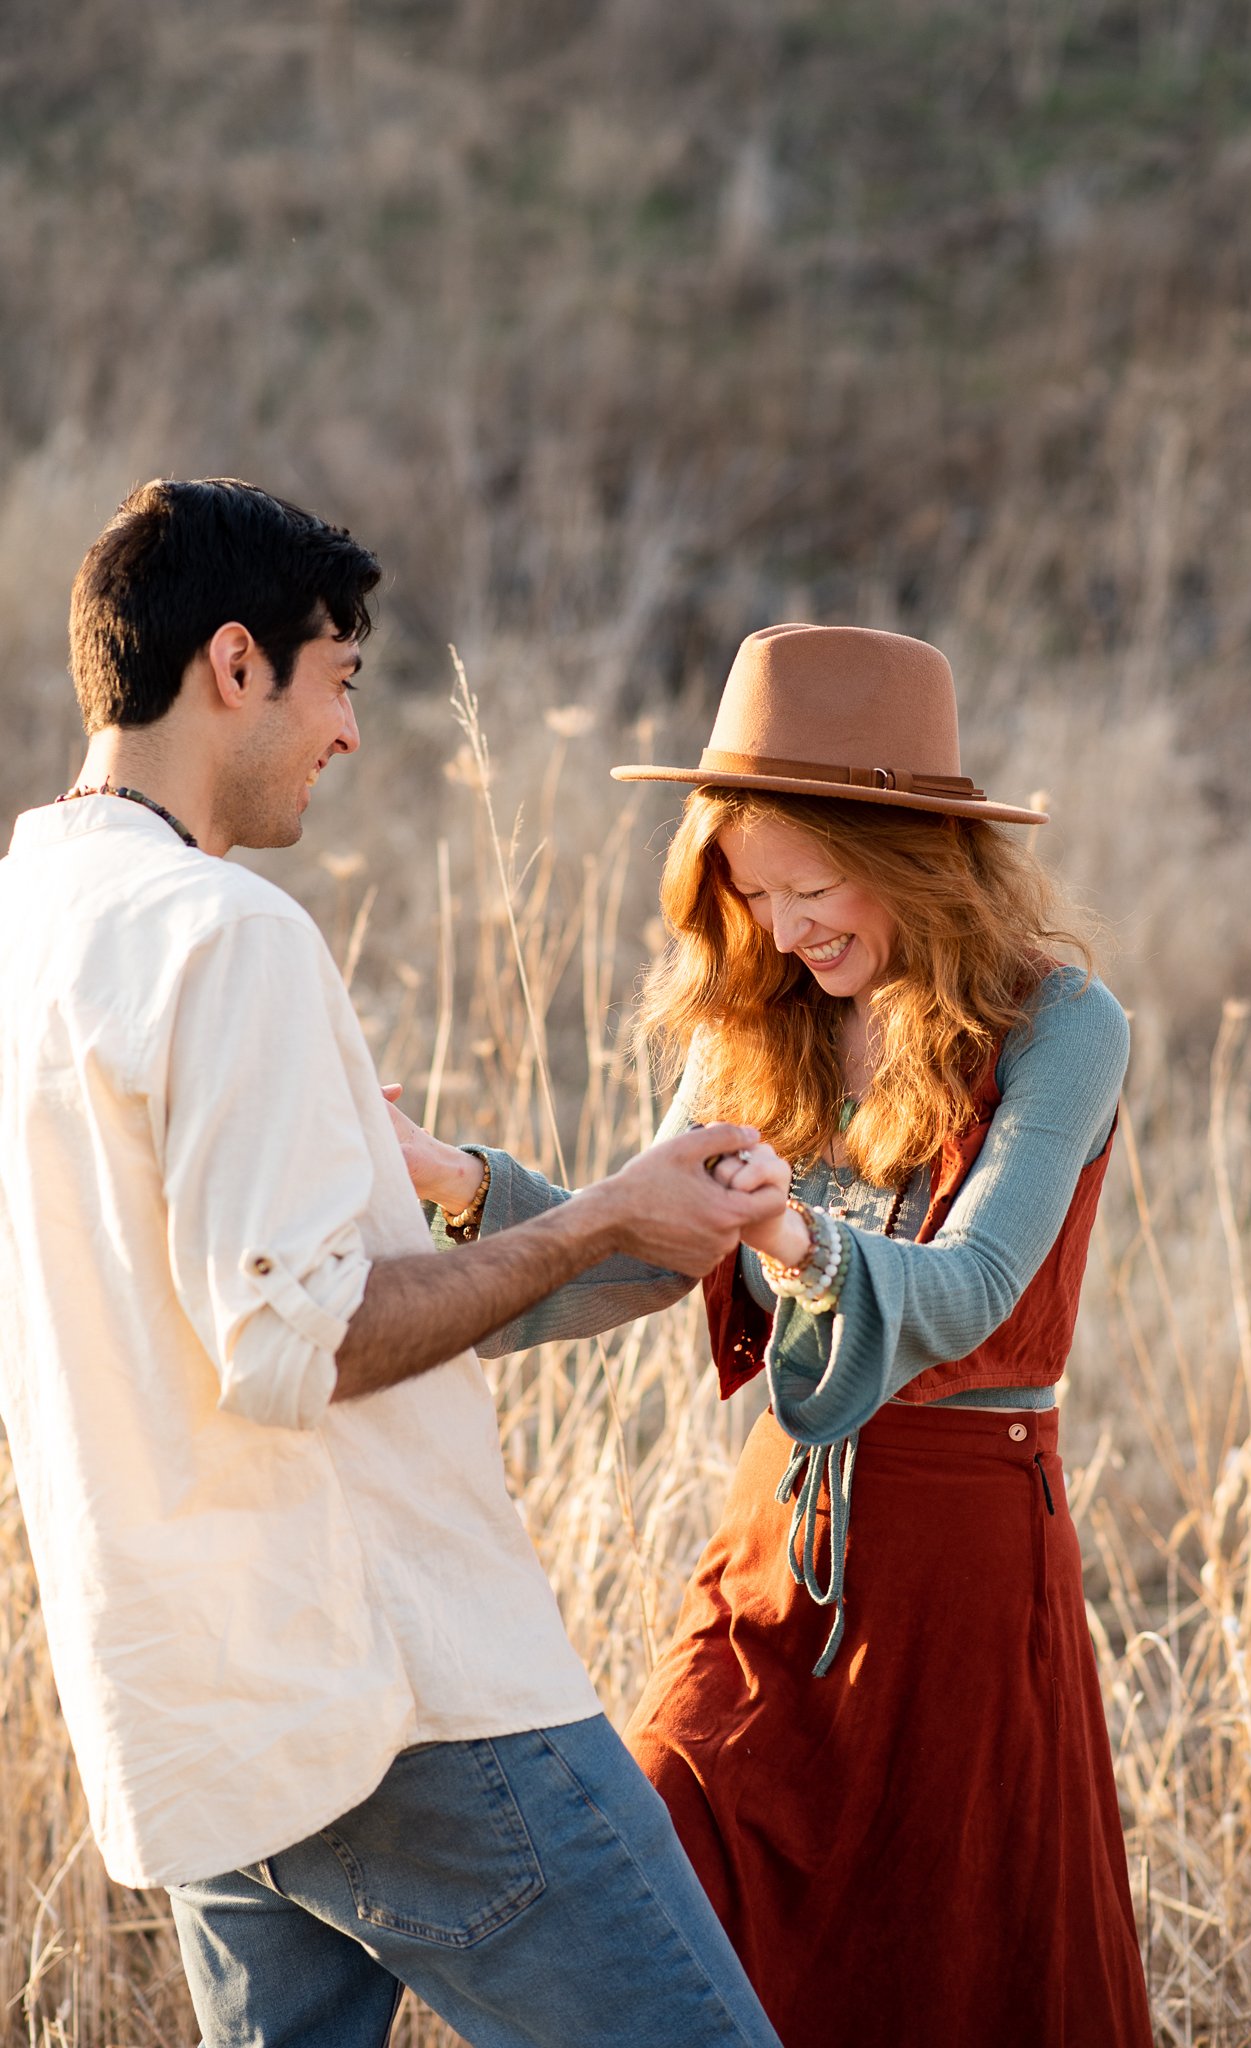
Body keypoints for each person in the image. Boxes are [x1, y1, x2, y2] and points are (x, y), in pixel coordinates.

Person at [0, 478, 789, 2048]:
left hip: (192, 1727)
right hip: (401, 1709)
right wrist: (607, 1217)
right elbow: (300, 1344)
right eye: (337, 680)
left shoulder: (31, 922)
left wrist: (364, 1178)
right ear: (236, 665)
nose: (348, 735)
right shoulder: (225, 932)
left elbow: (167, 1284)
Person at [394, 624, 1154, 2047]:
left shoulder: (1064, 1024)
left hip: (965, 1568)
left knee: (954, 1968)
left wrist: (792, 1237)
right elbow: (630, 1254)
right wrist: (459, 1186)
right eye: (758, 895)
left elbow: (974, 1285)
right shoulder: (761, 1024)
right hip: (774, 1541)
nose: (790, 928)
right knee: (658, 1884)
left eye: (815, 884)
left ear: (918, 852)